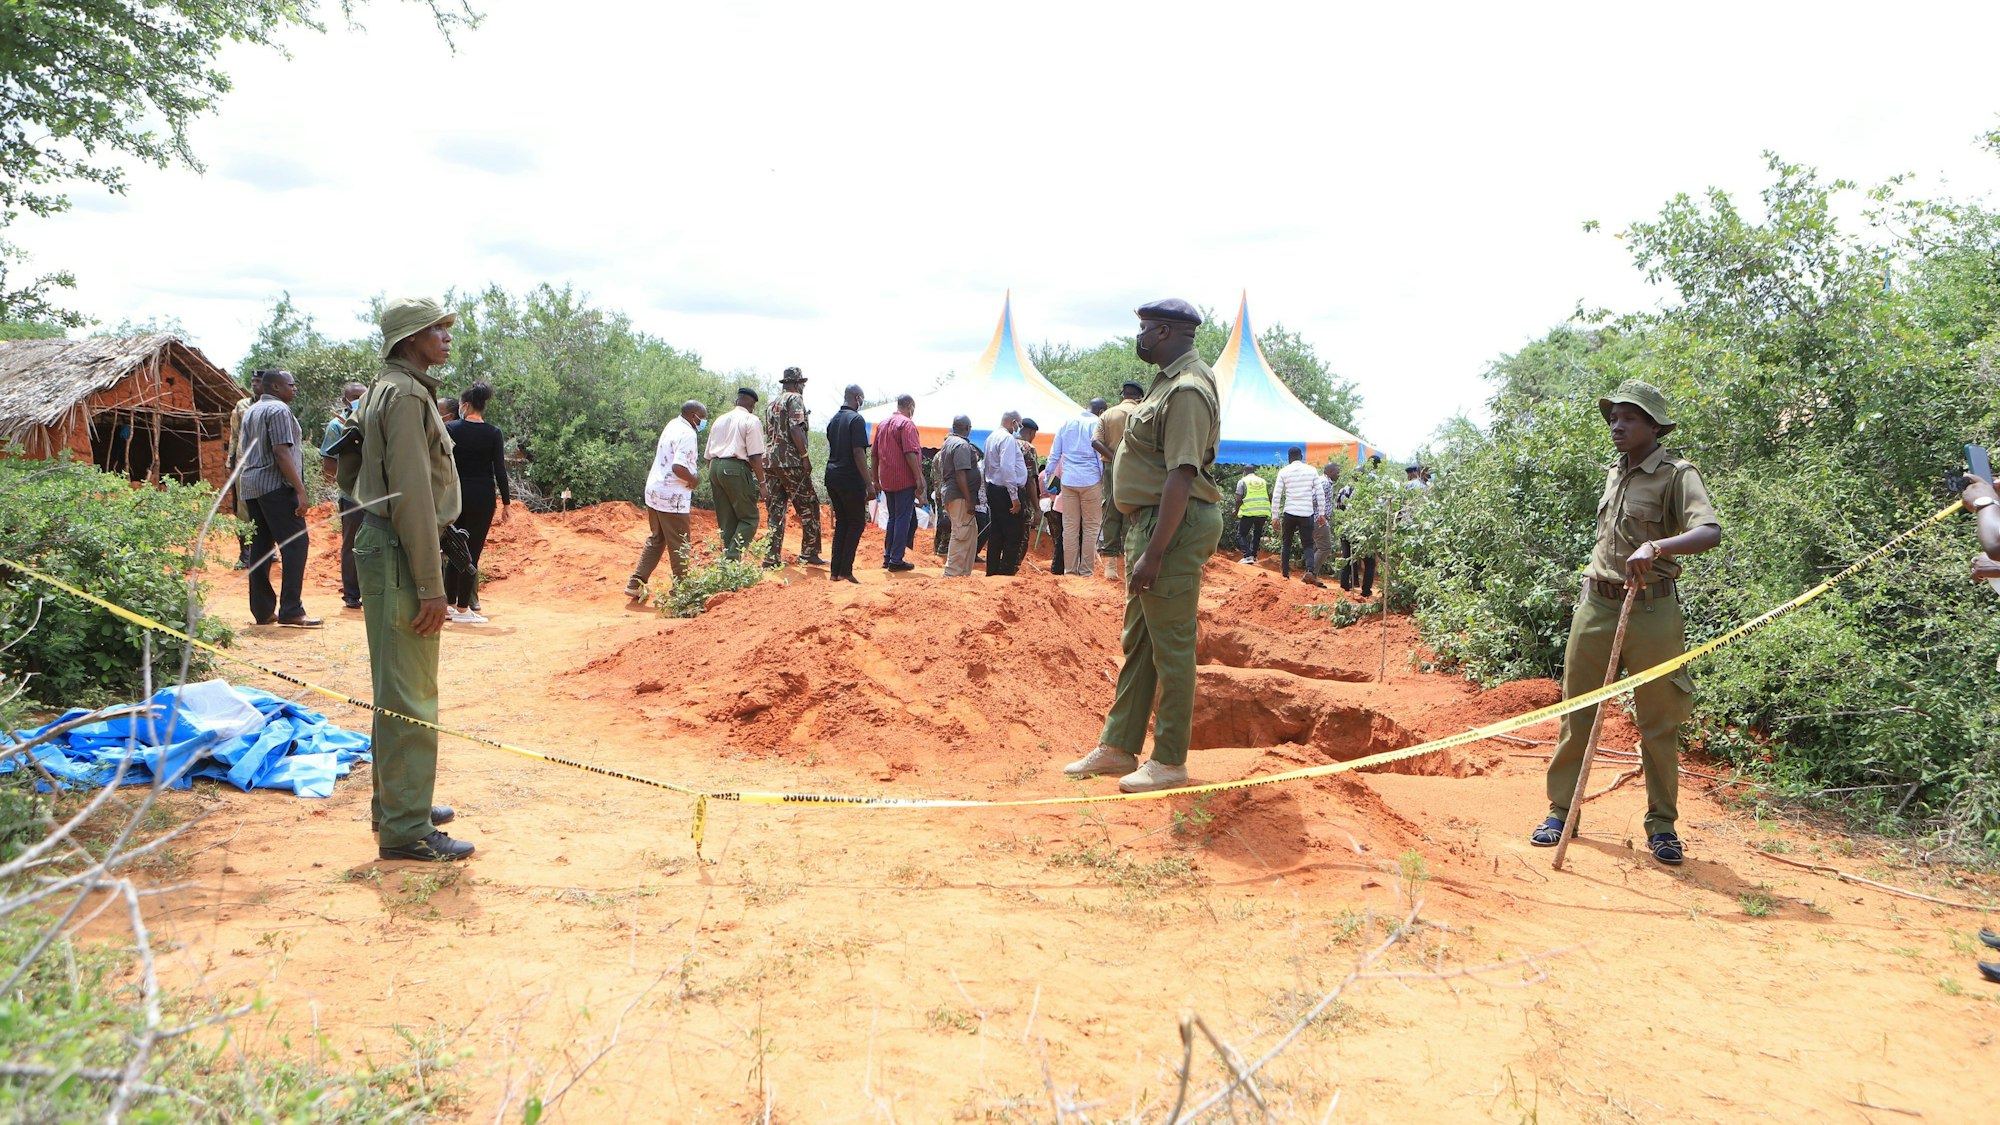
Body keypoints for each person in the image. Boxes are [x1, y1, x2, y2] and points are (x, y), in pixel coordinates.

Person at [1532, 381, 1721, 866]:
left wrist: (1657, 547)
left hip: (1653, 612)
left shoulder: (1678, 475)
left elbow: (1709, 531)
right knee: (1579, 711)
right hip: (1597, 606)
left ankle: (1662, 826)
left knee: (1659, 723)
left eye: (1629, 418)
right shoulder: (1615, 472)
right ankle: (1562, 811)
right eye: (1613, 417)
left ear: (1653, 425)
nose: (1616, 425)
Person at [1064, 298, 1223, 793]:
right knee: (1141, 641)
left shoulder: (1189, 389)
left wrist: (1154, 552)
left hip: (1170, 526)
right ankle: (1118, 746)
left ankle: (1170, 760)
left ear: (1164, 332)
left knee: (1171, 648)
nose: (1139, 338)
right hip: (1152, 522)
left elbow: (1182, 473)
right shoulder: (1167, 381)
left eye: (1145, 330)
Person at [342, 296, 470, 862]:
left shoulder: (384, 388)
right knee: (409, 696)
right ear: (411, 338)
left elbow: (345, 468)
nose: (446, 337)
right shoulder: (406, 394)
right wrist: (431, 584)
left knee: (397, 688)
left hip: (388, 544)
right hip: (399, 549)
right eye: (437, 329)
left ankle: (400, 804)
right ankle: (406, 830)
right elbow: (413, 496)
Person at [239, 369, 322, 627]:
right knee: (296, 544)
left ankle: (262, 611)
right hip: (276, 486)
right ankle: (291, 610)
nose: (294, 388)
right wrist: (300, 489)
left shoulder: (251, 410)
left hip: (252, 487)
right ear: (275, 387)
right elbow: (281, 452)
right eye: (291, 384)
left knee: (262, 547)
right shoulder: (279, 411)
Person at [444, 381, 512, 623]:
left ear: (465, 405)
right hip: (483, 496)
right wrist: (506, 502)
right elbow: (499, 470)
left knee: (453, 548)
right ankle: (463, 608)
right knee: (472, 550)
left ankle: (449, 606)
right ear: (482, 406)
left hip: (455, 495)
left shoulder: (451, 428)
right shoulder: (493, 433)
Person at [627, 400, 709, 599]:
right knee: (680, 544)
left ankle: (635, 584)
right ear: (693, 416)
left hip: (655, 492)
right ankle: (682, 592)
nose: (703, 422)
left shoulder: (672, 424)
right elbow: (678, 467)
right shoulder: (688, 434)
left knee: (657, 538)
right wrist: (694, 479)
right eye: (703, 418)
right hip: (672, 497)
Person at [762, 367, 826, 568]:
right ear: (798, 383)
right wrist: (805, 456)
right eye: (803, 384)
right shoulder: (795, 399)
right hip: (791, 462)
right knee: (809, 505)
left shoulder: (771, 404)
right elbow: (794, 428)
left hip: (771, 463)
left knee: (776, 509)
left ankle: (771, 557)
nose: (803, 387)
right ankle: (809, 553)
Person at [321, 381, 369, 609]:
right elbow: (329, 463)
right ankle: (351, 594)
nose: (359, 400)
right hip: (351, 495)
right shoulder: (337, 426)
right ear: (345, 401)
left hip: (376, 495)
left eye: (363, 395)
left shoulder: (373, 421)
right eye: (355, 396)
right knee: (351, 544)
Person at [1046, 398, 1107, 578]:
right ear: (1102, 411)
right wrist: (1103, 479)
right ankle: (1086, 572)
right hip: (1090, 480)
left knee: (1070, 527)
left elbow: (1054, 454)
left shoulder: (1067, 422)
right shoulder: (1097, 423)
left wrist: (1049, 480)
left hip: (1069, 480)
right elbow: (1099, 454)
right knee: (1090, 527)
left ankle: (1070, 571)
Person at [707, 388, 768, 561]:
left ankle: (727, 566)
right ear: (751, 404)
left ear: (737, 400)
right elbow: (755, 456)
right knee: (750, 518)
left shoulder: (719, 420)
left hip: (715, 466)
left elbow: (708, 456)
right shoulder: (751, 420)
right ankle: (732, 559)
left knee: (727, 520)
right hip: (735, 467)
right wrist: (762, 484)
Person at [824, 384, 875, 583]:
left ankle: (835, 572)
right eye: (861, 398)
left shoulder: (833, 420)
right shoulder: (856, 419)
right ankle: (845, 570)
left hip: (832, 476)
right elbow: (858, 452)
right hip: (849, 478)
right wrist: (869, 483)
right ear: (857, 397)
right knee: (856, 522)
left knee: (843, 522)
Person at [1094, 380, 1144, 568]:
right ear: (1139, 397)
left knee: (1111, 507)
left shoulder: (1107, 414)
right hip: (1136, 466)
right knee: (1133, 509)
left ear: (1123, 395)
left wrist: (1115, 457)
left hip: (1110, 466)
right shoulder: (1143, 413)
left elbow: (1095, 442)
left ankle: (1110, 566)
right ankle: (1132, 560)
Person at [872, 394, 923, 572]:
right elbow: (910, 452)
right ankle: (896, 559)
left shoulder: (883, 424)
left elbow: (874, 454)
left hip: (887, 479)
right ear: (909, 406)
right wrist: (918, 478)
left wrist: (875, 478)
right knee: (903, 518)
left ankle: (888, 556)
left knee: (893, 518)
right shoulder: (906, 424)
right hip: (903, 479)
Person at [1271, 446, 1325, 587]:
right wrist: (1322, 514)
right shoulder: (1311, 470)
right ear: (1301, 456)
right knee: (1308, 544)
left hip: (1289, 512)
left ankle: (1284, 574)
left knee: (1286, 543)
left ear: (1289, 458)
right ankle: (1310, 570)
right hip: (1307, 513)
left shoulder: (1284, 471)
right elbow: (1320, 493)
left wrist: (1274, 516)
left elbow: (1277, 495)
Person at [983, 411, 1027, 576]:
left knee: (997, 533)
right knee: (1013, 534)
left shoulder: (991, 438)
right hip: (1006, 491)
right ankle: (1005, 573)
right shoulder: (1007, 439)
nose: (1018, 429)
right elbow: (1007, 468)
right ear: (1013, 422)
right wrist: (1014, 497)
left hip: (994, 489)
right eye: (1019, 425)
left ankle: (992, 571)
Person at [938, 416, 982, 577]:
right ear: (968, 428)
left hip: (954, 495)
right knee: (961, 532)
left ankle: (963, 573)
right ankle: (952, 573)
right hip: (960, 496)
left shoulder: (949, 442)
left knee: (969, 532)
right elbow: (960, 473)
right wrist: (969, 499)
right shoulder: (961, 445)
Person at [225, 379, 260, 568]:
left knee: (266, 510)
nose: (255, 385)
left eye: (260, 382)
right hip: (243, 464)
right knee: (242, 510)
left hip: (266, 466)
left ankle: (267, 551)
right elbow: (234, 435)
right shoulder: (242, 406)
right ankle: (245, 554)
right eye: (253, 382)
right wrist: (230, 460)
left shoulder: (275, 406)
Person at [1337, 474, 1376, 597]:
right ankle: (1366, 590)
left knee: (1347, 557)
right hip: (1361, 530)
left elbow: (1339, 509)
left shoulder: (1342, 490)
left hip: (1345, 528)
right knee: (1369, 562)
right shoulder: (1366, 491)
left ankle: (1344, 586)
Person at [1016, 419, 1044, 571]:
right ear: (1032, 432)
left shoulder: (1007, 443)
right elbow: (1031, 480)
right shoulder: (1028, 448)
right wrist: (1037, 508)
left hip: (1001, 494)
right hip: (1022, 498)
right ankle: (1015, 566)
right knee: (1022, 536)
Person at [1234, 468, 1270, 564]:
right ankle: (1253, 556)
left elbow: (1238, 499)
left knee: (1241, 534)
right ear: (1254, 472)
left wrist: (1236, 510)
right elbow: (1269, 495)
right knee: (1257, 533)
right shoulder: (1263, 481)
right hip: (1263, 511)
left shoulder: (1242, 481)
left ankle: (1247, 556)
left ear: (1245, 472)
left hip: (1249, 511)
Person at [1312, 461, 1341, 581]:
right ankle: (1311, 573)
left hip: (1316, 519)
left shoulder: (1324, 481)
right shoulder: (1324, 483)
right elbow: (1313, 498)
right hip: (1319, 520)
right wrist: (1321, 514)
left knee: (1317, 547)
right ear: (1330, 472)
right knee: (1325, 547)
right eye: (1337, 472)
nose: (1339, 475)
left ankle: (1312, 574)